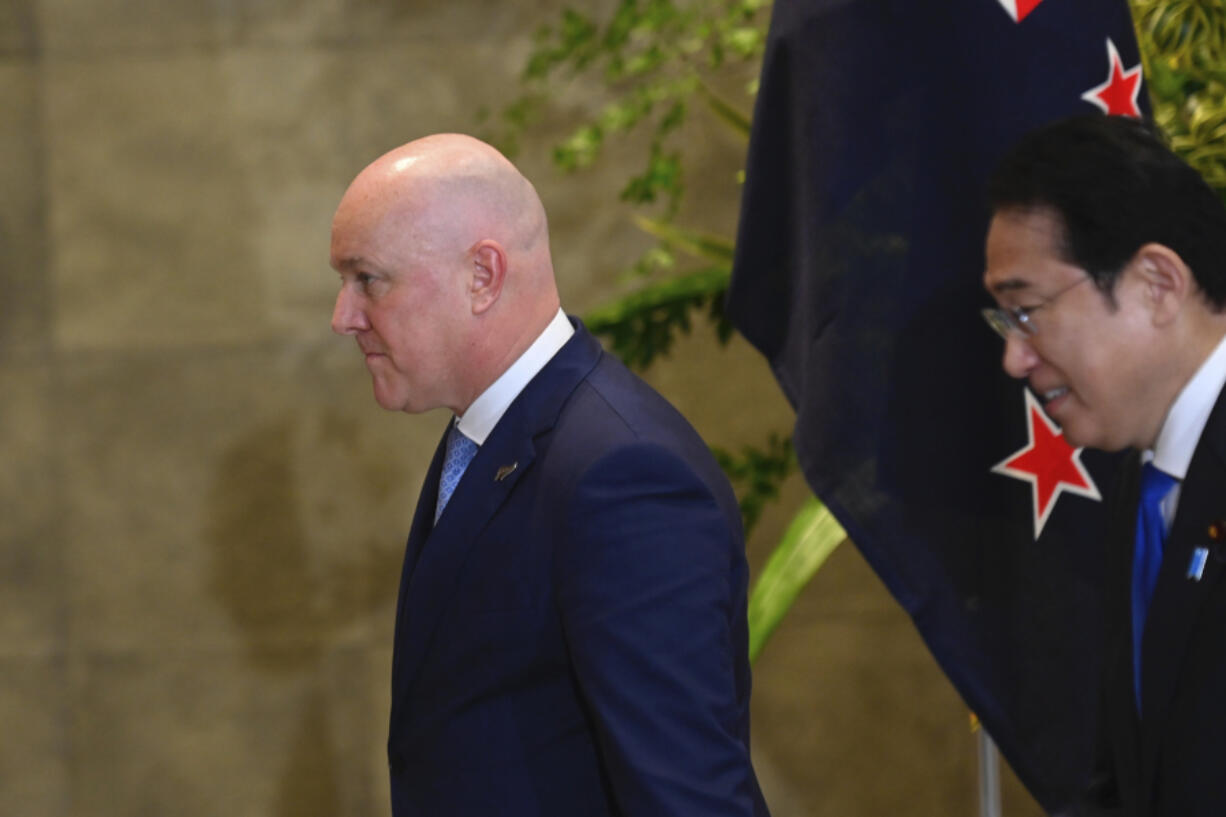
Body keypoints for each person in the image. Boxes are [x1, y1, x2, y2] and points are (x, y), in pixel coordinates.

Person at [329, 133, 769, 817]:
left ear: (483, 275)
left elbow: (688, 797)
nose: (343, 317)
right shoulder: (487, 432)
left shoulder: (623, 473)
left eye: (367, 279)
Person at [981, 114, 1226, 816]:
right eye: (1003, 323)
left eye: (1026, 311)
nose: (1014, 357)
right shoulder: (1140, 484)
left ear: (1156, 283)